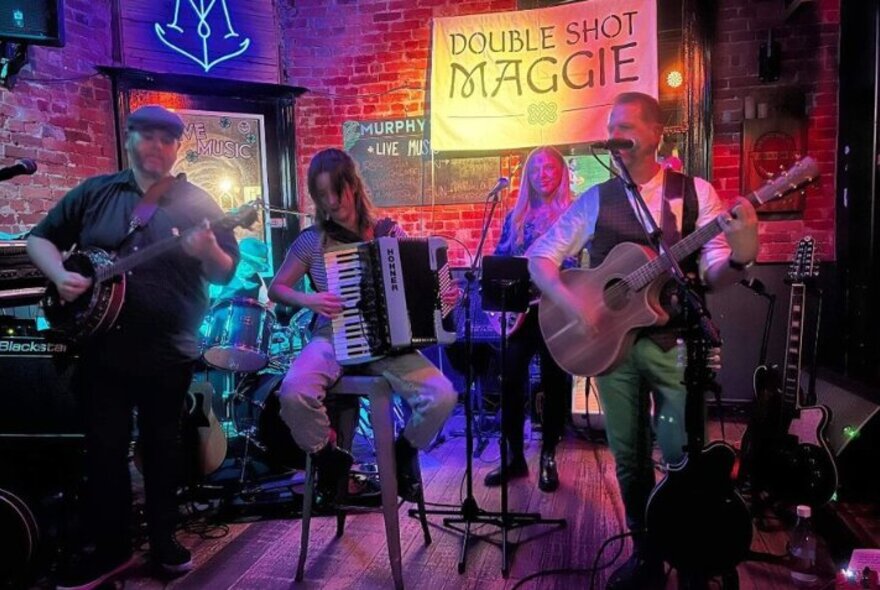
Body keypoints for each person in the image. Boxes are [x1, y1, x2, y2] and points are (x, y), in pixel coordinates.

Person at [528, 92, 759, 590]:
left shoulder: (694, 193)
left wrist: (739, 257)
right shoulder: (596, 199)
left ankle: (691, 549)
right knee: (629, 456)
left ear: (657, 134)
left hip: (675, 343)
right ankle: (646, 552)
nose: (616, 133)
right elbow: (540, 258)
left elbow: (714, 272)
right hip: (613, 348)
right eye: (612, 125)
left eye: (627, 124)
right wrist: (577, 305)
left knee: (680, 450)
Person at [27, 105, 239, 590]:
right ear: (130, 139)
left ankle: (164, 539)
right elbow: (40, 240)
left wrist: (207, 249)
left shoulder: (198, 202)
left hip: (169, 350)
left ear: (177, 147)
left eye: (168, 140)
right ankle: (111, 549)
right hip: (101, 349)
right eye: (148, 137)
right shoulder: (96, 193)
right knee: (104, 451)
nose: (158, 147)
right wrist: (60, 276)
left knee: (163, 449)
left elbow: (224, 271)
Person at [268, 148, 459, 508]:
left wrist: (446, 295)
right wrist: (311, 300)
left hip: (389, 344)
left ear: (353, 186)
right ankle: (330, 459)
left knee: (442, 396)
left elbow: (427, 287)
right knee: (293, 391)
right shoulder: (313, 241)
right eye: (321, 195)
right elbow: (277, 288)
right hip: (333, 335)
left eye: (336, 191)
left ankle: (403, 452)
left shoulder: (387, 233)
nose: (330, 203)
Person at [484, 146, 578, 493]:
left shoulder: (572, 213)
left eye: (550, 167)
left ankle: (549, 455)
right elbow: (501, 256)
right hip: (521, 314)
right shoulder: (515, 215)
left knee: (555, 382)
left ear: (561, 173)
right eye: (536, 168)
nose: (543, 173)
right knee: (509, 379)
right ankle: (513, 457)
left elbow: (579, 266)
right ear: (528, 176)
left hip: (556, 311)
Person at [211, 236, 270, 304]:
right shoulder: (219, 274)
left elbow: (267, 303)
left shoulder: (257, 278)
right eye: (244, 261)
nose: (253, 270)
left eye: (256, 266)